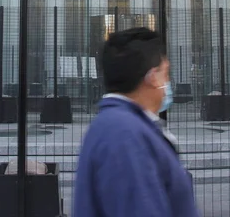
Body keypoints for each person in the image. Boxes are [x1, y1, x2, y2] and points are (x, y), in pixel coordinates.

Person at [73, 27, 200, 217]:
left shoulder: (123, 126)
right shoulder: (123, 134)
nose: (168, 83)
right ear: (153, 77)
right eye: (166, 74)